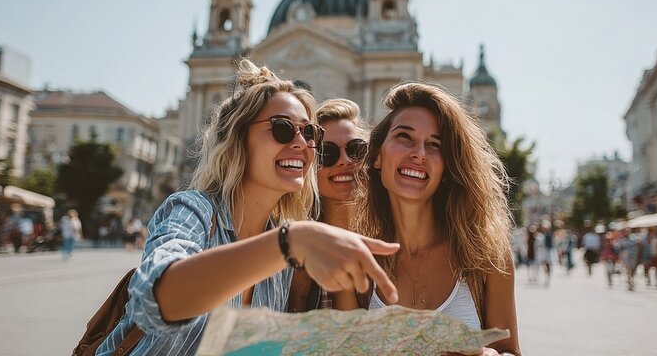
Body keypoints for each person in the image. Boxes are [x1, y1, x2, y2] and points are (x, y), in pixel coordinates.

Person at [96, 60, 399, 356]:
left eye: (309, 133)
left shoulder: (281, 257)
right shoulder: (194, 211)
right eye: (282, 128)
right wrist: (288, 242)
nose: (301, 143)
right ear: (238, 138)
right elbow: (156, 299)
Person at [343, 82, 521, 355]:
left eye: (435, 144)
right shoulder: (354, 262)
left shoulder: (486, 256)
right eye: (404, 137)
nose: (419, 153)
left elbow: (509, 351)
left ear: (448, 167)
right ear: (377, 156)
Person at [288, 98, 368, 312]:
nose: (345, 161)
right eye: (327, 154)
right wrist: (298, 292)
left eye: (355, 149)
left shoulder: (389, 238)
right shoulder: (295, 247)